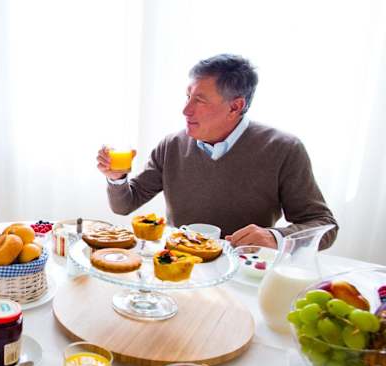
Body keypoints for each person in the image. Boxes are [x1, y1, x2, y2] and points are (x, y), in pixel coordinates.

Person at [96, 54, 337, 249]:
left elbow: (324, 225)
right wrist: (117, 178)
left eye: (199, 100)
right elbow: (124, 205)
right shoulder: (172, 145)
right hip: (180, 265)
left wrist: (275, 237)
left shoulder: (283, 149)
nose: (186, 110)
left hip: (243, 270)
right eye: (188, 96)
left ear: (235, 106)